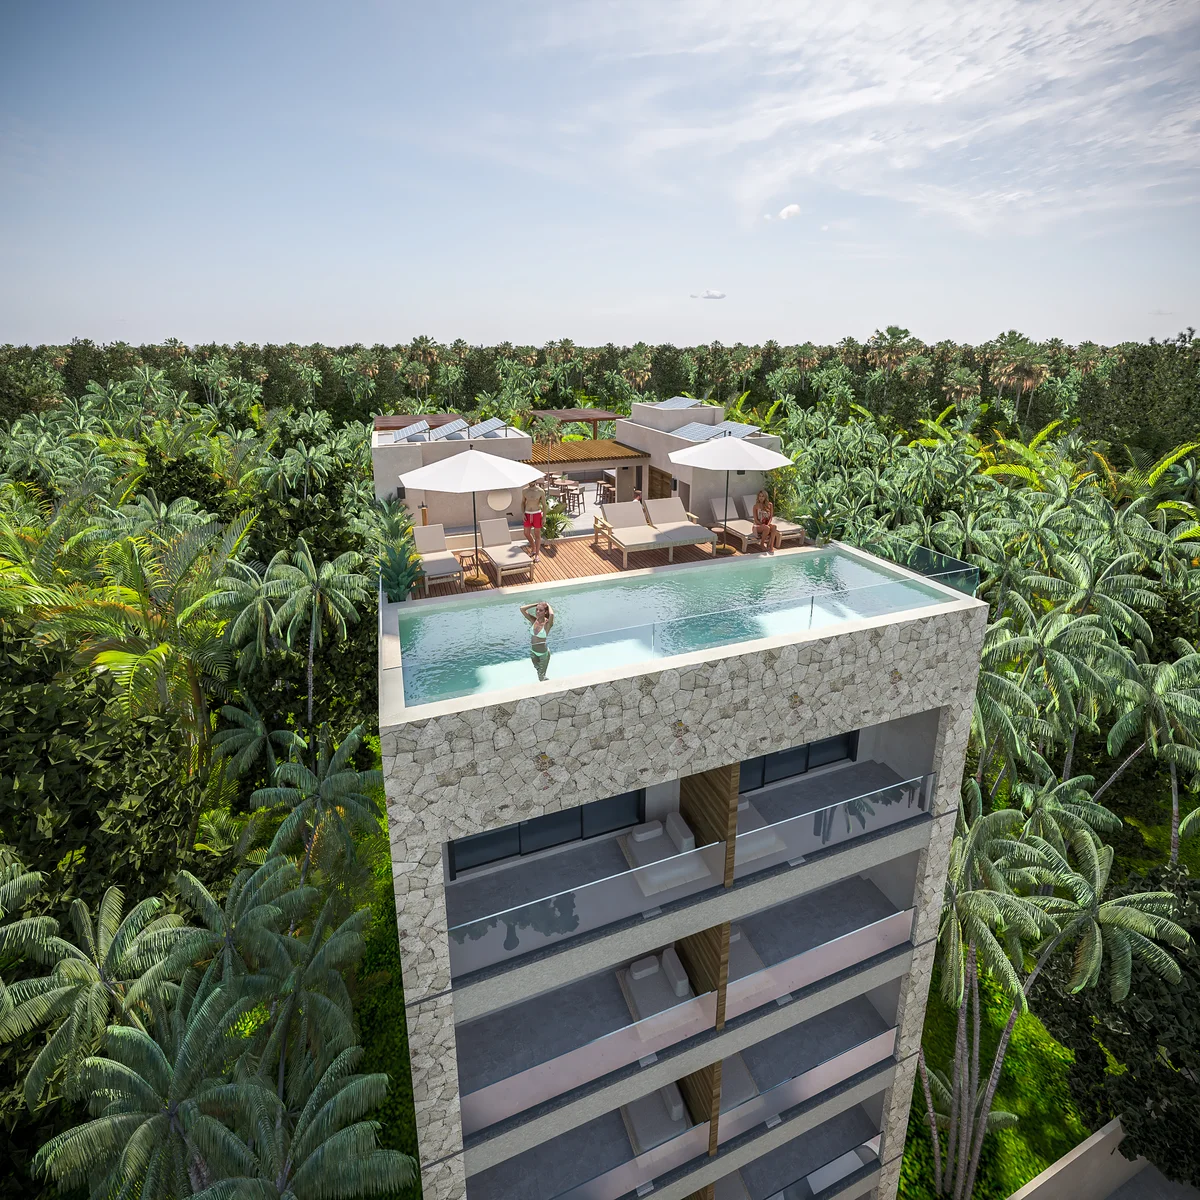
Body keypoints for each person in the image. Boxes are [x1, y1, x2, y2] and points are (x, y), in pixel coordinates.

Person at [520, 599, 555, 681]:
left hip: (543, 654)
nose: (538, 612)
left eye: (541, 610)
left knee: (541, 677)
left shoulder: (547, 624)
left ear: (545, 612)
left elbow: (552, 614)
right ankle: (546, 681)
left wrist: (547, 604)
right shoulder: (534, 620)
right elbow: (522, 609)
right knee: (538, 671)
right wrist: (536, 604)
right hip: (533, 652)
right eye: (537, 610)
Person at [521, 480, 547, 560]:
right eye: (530, 481)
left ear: (535, 481)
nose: (531, 482)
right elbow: (522, 503)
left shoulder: (540, 491)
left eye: (533, 481)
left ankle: (537, 555)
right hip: (527, 513)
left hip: (537, 514)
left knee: (537, 535)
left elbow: (544, 505)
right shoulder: (524, 491)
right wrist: (522, 513)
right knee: (526, 533)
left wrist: (544, 517)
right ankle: (533, 548)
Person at [752, 489, 781, 554]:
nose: (761, 498)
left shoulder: (770, 505)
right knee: (767, 528)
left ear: (765, 497)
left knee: (774, 527)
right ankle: (762, 544)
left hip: (766, 524)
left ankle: (771, 546)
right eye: (760, 496)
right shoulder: (755, 506)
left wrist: (768, 524)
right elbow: (756, 520)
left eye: (763, 496)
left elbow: (770, 517)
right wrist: (762, 525)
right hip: (757, 526)